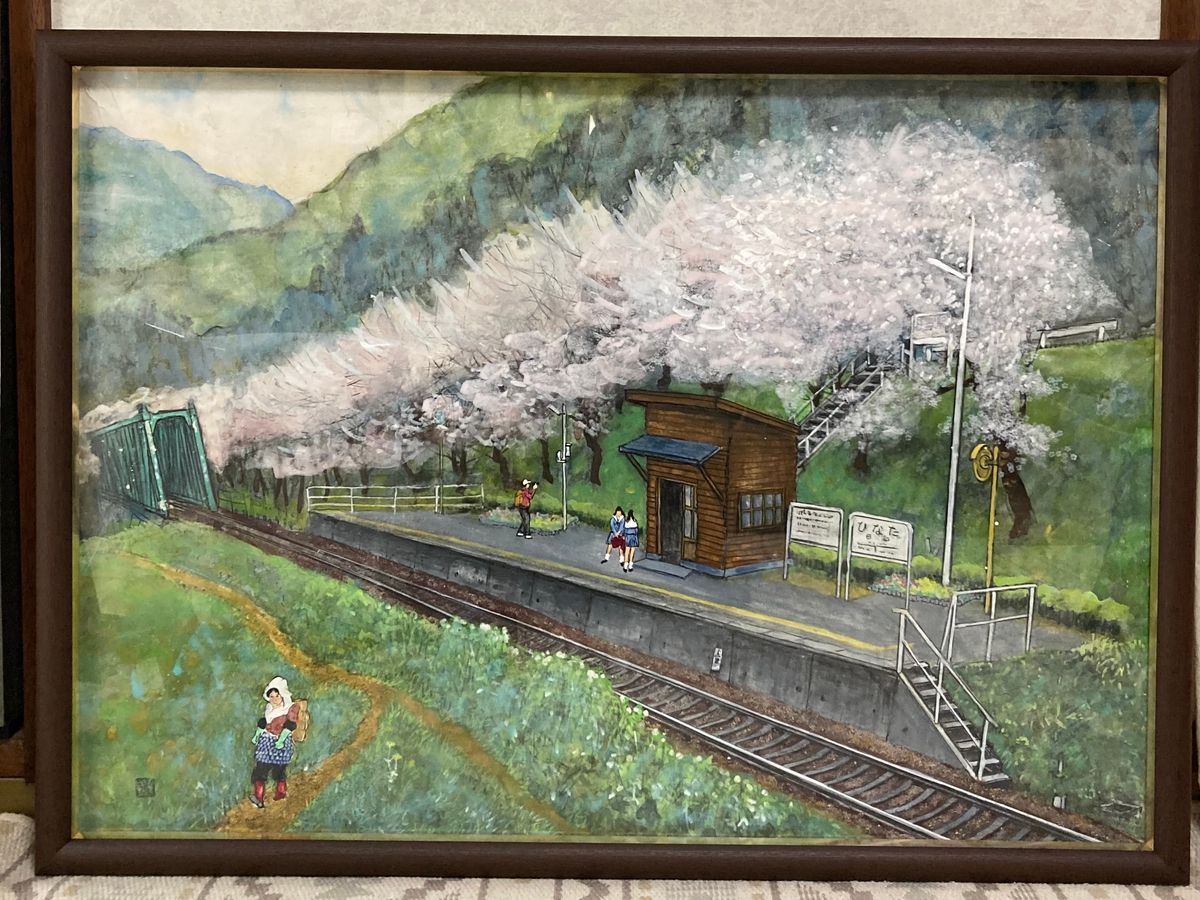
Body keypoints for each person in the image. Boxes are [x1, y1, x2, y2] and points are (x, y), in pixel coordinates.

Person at [249, 676, 300, 809]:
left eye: (277, 696)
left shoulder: (290, 708)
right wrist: (257, 735)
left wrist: (281, 740)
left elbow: (290, 725)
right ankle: (258, 797)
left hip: (281, 743)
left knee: (279, 769)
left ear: (282, 695)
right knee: (261, 769)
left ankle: (281, 792)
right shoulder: (269, 709)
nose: (274, 699)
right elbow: (264, 723)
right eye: (271, 696)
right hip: (266, 741)